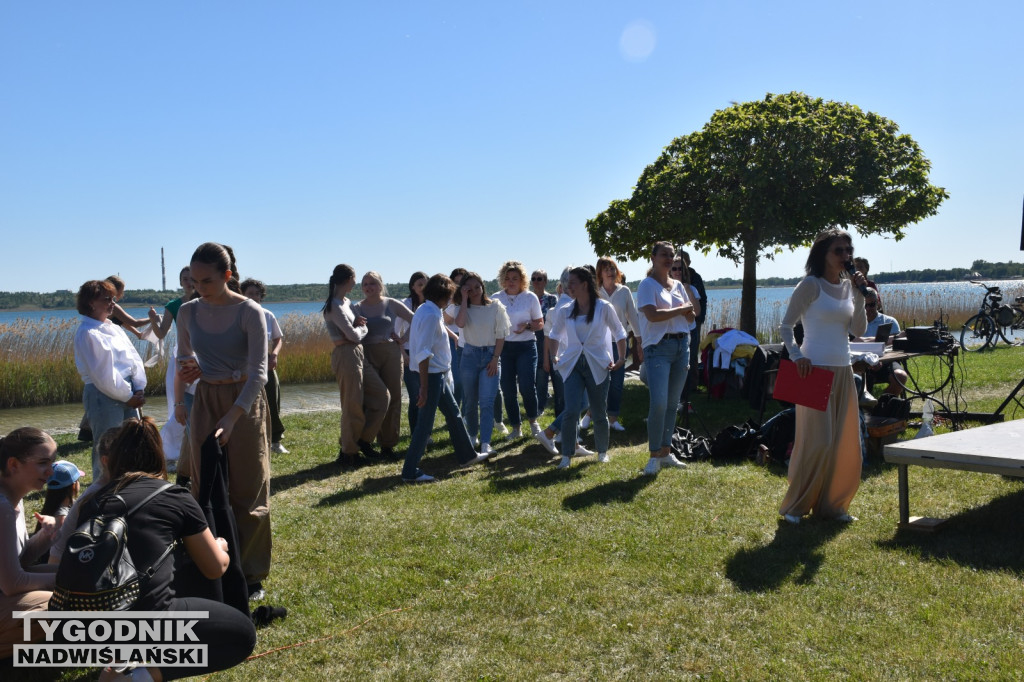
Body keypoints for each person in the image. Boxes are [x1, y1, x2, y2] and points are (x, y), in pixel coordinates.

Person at [68, 417, 256, 681]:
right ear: (158, 456)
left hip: (82, 620)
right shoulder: (172, 495)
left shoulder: (93, 501)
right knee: (241, 633)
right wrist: (221, 547)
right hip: (138, 620)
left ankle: (115, 664)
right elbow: (215, 568)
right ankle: (137, 677)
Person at [176, 242, 272, 598]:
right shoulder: (188, 312)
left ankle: (251, 574)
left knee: (248, 488)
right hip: (206, 399)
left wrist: (233, 418)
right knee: (204, 487)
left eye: (206, 281)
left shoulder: (250, 311)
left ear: (227, 276)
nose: (199, 288)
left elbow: (259, 372)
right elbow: (184, 356)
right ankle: (208, 567)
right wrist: (190, 369)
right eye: (194, 281)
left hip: (244, 401)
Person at [778, 228, 867, 524]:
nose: (845, 256)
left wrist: (859, 294)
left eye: (847, 250)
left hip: (844, 369)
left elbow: (859, 331)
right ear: (823, 255)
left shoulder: (848, 287)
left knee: (844, 441)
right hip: (811, 369)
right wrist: (797, 355)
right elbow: (786, 327)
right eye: (838, 251)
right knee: (818, 441)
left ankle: (832, 507)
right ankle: (795, 506)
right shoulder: (809, 285)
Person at [402, 274, 489, 483]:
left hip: (437, 375)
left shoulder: (428, 309)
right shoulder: (430, 314)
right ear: (443, 296)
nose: (451, 300)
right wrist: (423, 387)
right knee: (424, 424)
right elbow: (423, 352)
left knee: (454, 414)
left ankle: (467, 456)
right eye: (450, 296)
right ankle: (409, 471)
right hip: (431, 377)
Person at [544, 267, 627, 467]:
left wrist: (622, 357)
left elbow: (619, 332)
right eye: (567, 283)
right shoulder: (565, 310)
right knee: (571, 410)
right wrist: (554, 356)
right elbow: (554, 335)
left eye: (572, 283)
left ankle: (602, 452)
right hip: (572, 364)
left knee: (599, 411)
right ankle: (566, 455)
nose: (568, 287)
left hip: (597, 364)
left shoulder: (603, 307)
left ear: (584, 284)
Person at [74, 279, 148, 480]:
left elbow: (133, 358)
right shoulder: (88, 333)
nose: (112, 304)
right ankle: (102, 490)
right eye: (107, 299)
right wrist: (127, 396)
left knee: (131, 443)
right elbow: (103, 375)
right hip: (103, 395)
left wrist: (139, 386)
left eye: (113, 299)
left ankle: (127, 485)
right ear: (91, 303)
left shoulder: (112, 327)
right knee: (107, 447)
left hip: (127, 392)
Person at [637, 241, 698, 475]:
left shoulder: (679, 286)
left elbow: (691, 319)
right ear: (652, 257)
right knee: (659, 403)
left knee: (673, 404)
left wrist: (688, 311)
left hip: (682, 346)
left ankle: (666, 451)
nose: (669, 259)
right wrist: (681, 309)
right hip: (658, 348)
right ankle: (654, 455)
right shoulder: (646, 285)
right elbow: (652, 315)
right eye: (664, 255)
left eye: (671, 256)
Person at [322, 265, 390, 466]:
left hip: (358, 352)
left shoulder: (347, 302)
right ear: (348, 279)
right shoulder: (334, 305)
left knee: (381, 396)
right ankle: (349, 453)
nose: (357, 282)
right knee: (352, 404)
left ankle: (363, 440)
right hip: (345, 354)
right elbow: (353, 335)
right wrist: (362, 329)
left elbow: (353, 330)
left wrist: (358, 326)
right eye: (355, 278)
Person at [0, 427, 57, 659]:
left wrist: (45, 537)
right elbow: (13, 583)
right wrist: (70, 578)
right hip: (6, 592)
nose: (51, 471)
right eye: (43, 463)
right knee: (68, 601)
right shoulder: (2, 506)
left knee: (76, 579)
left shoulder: (13, 498)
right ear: (13, 465)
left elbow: (19, 561)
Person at [352, 271, 414, 459]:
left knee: (394, 398)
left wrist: (403, 339)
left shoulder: (391, 303)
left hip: (391, 354)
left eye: (372, 283)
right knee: (373, 399)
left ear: (380, 285)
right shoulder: (356, 308)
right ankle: (365, 441)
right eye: (365, 284)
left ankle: (388, 445)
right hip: (367, 354)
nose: (369, 287)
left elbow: (416, 319)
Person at [454, 272, 511, 456]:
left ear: (483, 286)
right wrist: (464, 299)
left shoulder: (495, 307)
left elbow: (501, 334)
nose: (475, 291)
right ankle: (472, 436)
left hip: (490, 356)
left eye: (477, 287)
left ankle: (486, 442)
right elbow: (460, 324)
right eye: (469, 289)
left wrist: (495, 358)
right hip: (469, 356)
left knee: (487, 401)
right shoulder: (462, 307)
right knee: (470, 401)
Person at [147, 267, 196, 465]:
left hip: (204, 353)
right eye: (185, 279)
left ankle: (191, 449)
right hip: (182, 353)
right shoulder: (174, 305)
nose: (189, 282)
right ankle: (173, 451)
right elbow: (161, 333)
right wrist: (152, 319)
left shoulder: (206, 301)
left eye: (192, 279)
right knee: (178, 401)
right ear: (180, 281)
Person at [491, 260, 544, 440]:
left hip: (526, 346)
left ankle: (533, 420)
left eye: (515, 278)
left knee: (527, 386)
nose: (511, 281)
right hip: (504, 348)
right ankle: (516, 427)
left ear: (522, 279)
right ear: (502, 280)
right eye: (507, 278)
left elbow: (540, 323)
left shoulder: (530, 297)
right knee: (507, 387)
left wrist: (527, 326)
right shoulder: (496, 298)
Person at [241, 278, 289, 454]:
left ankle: (275, 441)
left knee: (272, 400)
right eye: (249, 293)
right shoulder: (239, 314)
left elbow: (278, 338)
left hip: (266, 361)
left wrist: (274, 355)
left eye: (257, 294)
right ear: (242, 295)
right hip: (244, 363)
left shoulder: (268, 315)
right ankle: (252, 439)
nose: (254, 297)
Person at [594, 257, 641, 431]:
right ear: (600, 273)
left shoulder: (624, 291)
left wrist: (639, 340)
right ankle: (593, 414)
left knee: (616, 383)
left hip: (619, 343)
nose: (610, 272)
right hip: (599, 344)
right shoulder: (595, 292)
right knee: (598, 382)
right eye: (606, 269)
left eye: (613, 268)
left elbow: (633, 317)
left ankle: (613, 419)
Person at [395, 271, 428, 436]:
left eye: (425, 284)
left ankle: (425, 432)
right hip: (408, 353)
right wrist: (403, 354)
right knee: (415, 395)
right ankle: (416, 432)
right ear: (412, 287)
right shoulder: (405, 304)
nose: (423, 288)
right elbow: (396, 332)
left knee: (426, 394)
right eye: (419, 285)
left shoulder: (431, 304)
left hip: (427, 354)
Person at [860, 287, 907, 397]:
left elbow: (898, 348)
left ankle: (881, 406)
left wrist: (883, 361)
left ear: (878, 304)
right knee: (859, 380)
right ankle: (865, 406)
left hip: (887, 363)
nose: (868, 309)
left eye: (871, 305)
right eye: (864, 306)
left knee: (901, 377)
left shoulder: (890, 321)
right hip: (861, 364)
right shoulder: (853, 324)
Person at [679, 250, 707, 402]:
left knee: (693, 354)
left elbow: (702, 300)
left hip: (694, 321)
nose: (678, 270)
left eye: (682, 264)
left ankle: (693, 385)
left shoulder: (695, 278)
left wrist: (700, 318)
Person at [530, 269, 559, 414]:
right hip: (533, 337)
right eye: (533, 279)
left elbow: (556, 319)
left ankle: (559, 402)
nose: (536, 281)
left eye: (539, 279)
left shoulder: (552, 299)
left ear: (545, 281)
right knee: (540, 372)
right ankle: (540, 405)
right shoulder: (528, 299)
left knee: (554, 368)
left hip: (550, 336)